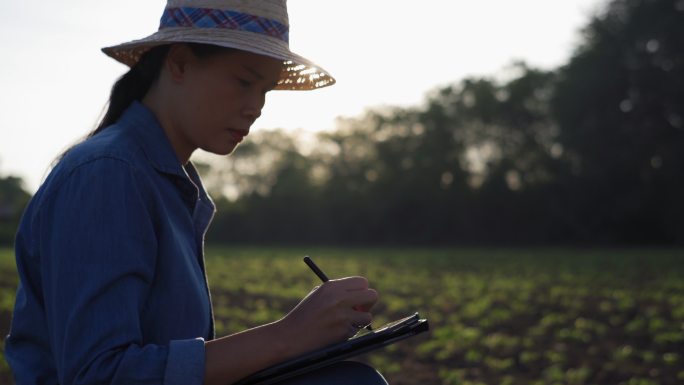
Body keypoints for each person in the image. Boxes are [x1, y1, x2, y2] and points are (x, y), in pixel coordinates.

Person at [5, 1, 386, 384]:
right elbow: (100, 375)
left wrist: (306, 339)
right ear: (181, 63)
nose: (256, 108)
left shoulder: (164, 180)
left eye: (266, 90)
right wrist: (287, 336)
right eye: (243, 82)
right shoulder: (108, 174)